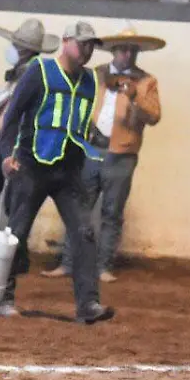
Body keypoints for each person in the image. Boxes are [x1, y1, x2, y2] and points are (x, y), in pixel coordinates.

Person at [0, 21, 115, 324]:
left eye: (91, 45)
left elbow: (83, 124)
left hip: (69, 170)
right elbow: (12, 118)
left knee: (84, 232)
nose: (88, 50)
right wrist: (7, 156)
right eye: (83, 43)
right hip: (31, 165)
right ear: (66, 41)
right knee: (17, 233)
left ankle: (88, 304)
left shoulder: (90, 81)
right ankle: (4, 297)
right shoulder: (39, 71)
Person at [42, 27, 163, 283]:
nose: (128, 54)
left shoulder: (146, 82)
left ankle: (102, 266)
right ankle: (68, 263)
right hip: (91, 148)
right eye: (123, 49)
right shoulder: (96, 75)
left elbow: (153, 116)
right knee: (78, 209)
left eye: (133, 50)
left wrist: (134, 100)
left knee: (111, 212)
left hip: (122, 154)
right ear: (113, 51)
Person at [0, 19, 60, 265]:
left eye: (15, 45)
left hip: (19, 147)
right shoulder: (27, 73)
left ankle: (10, 254)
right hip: (14, 145)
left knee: (10, 201)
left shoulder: (27, 75)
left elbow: (11, 120)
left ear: (24, 49)